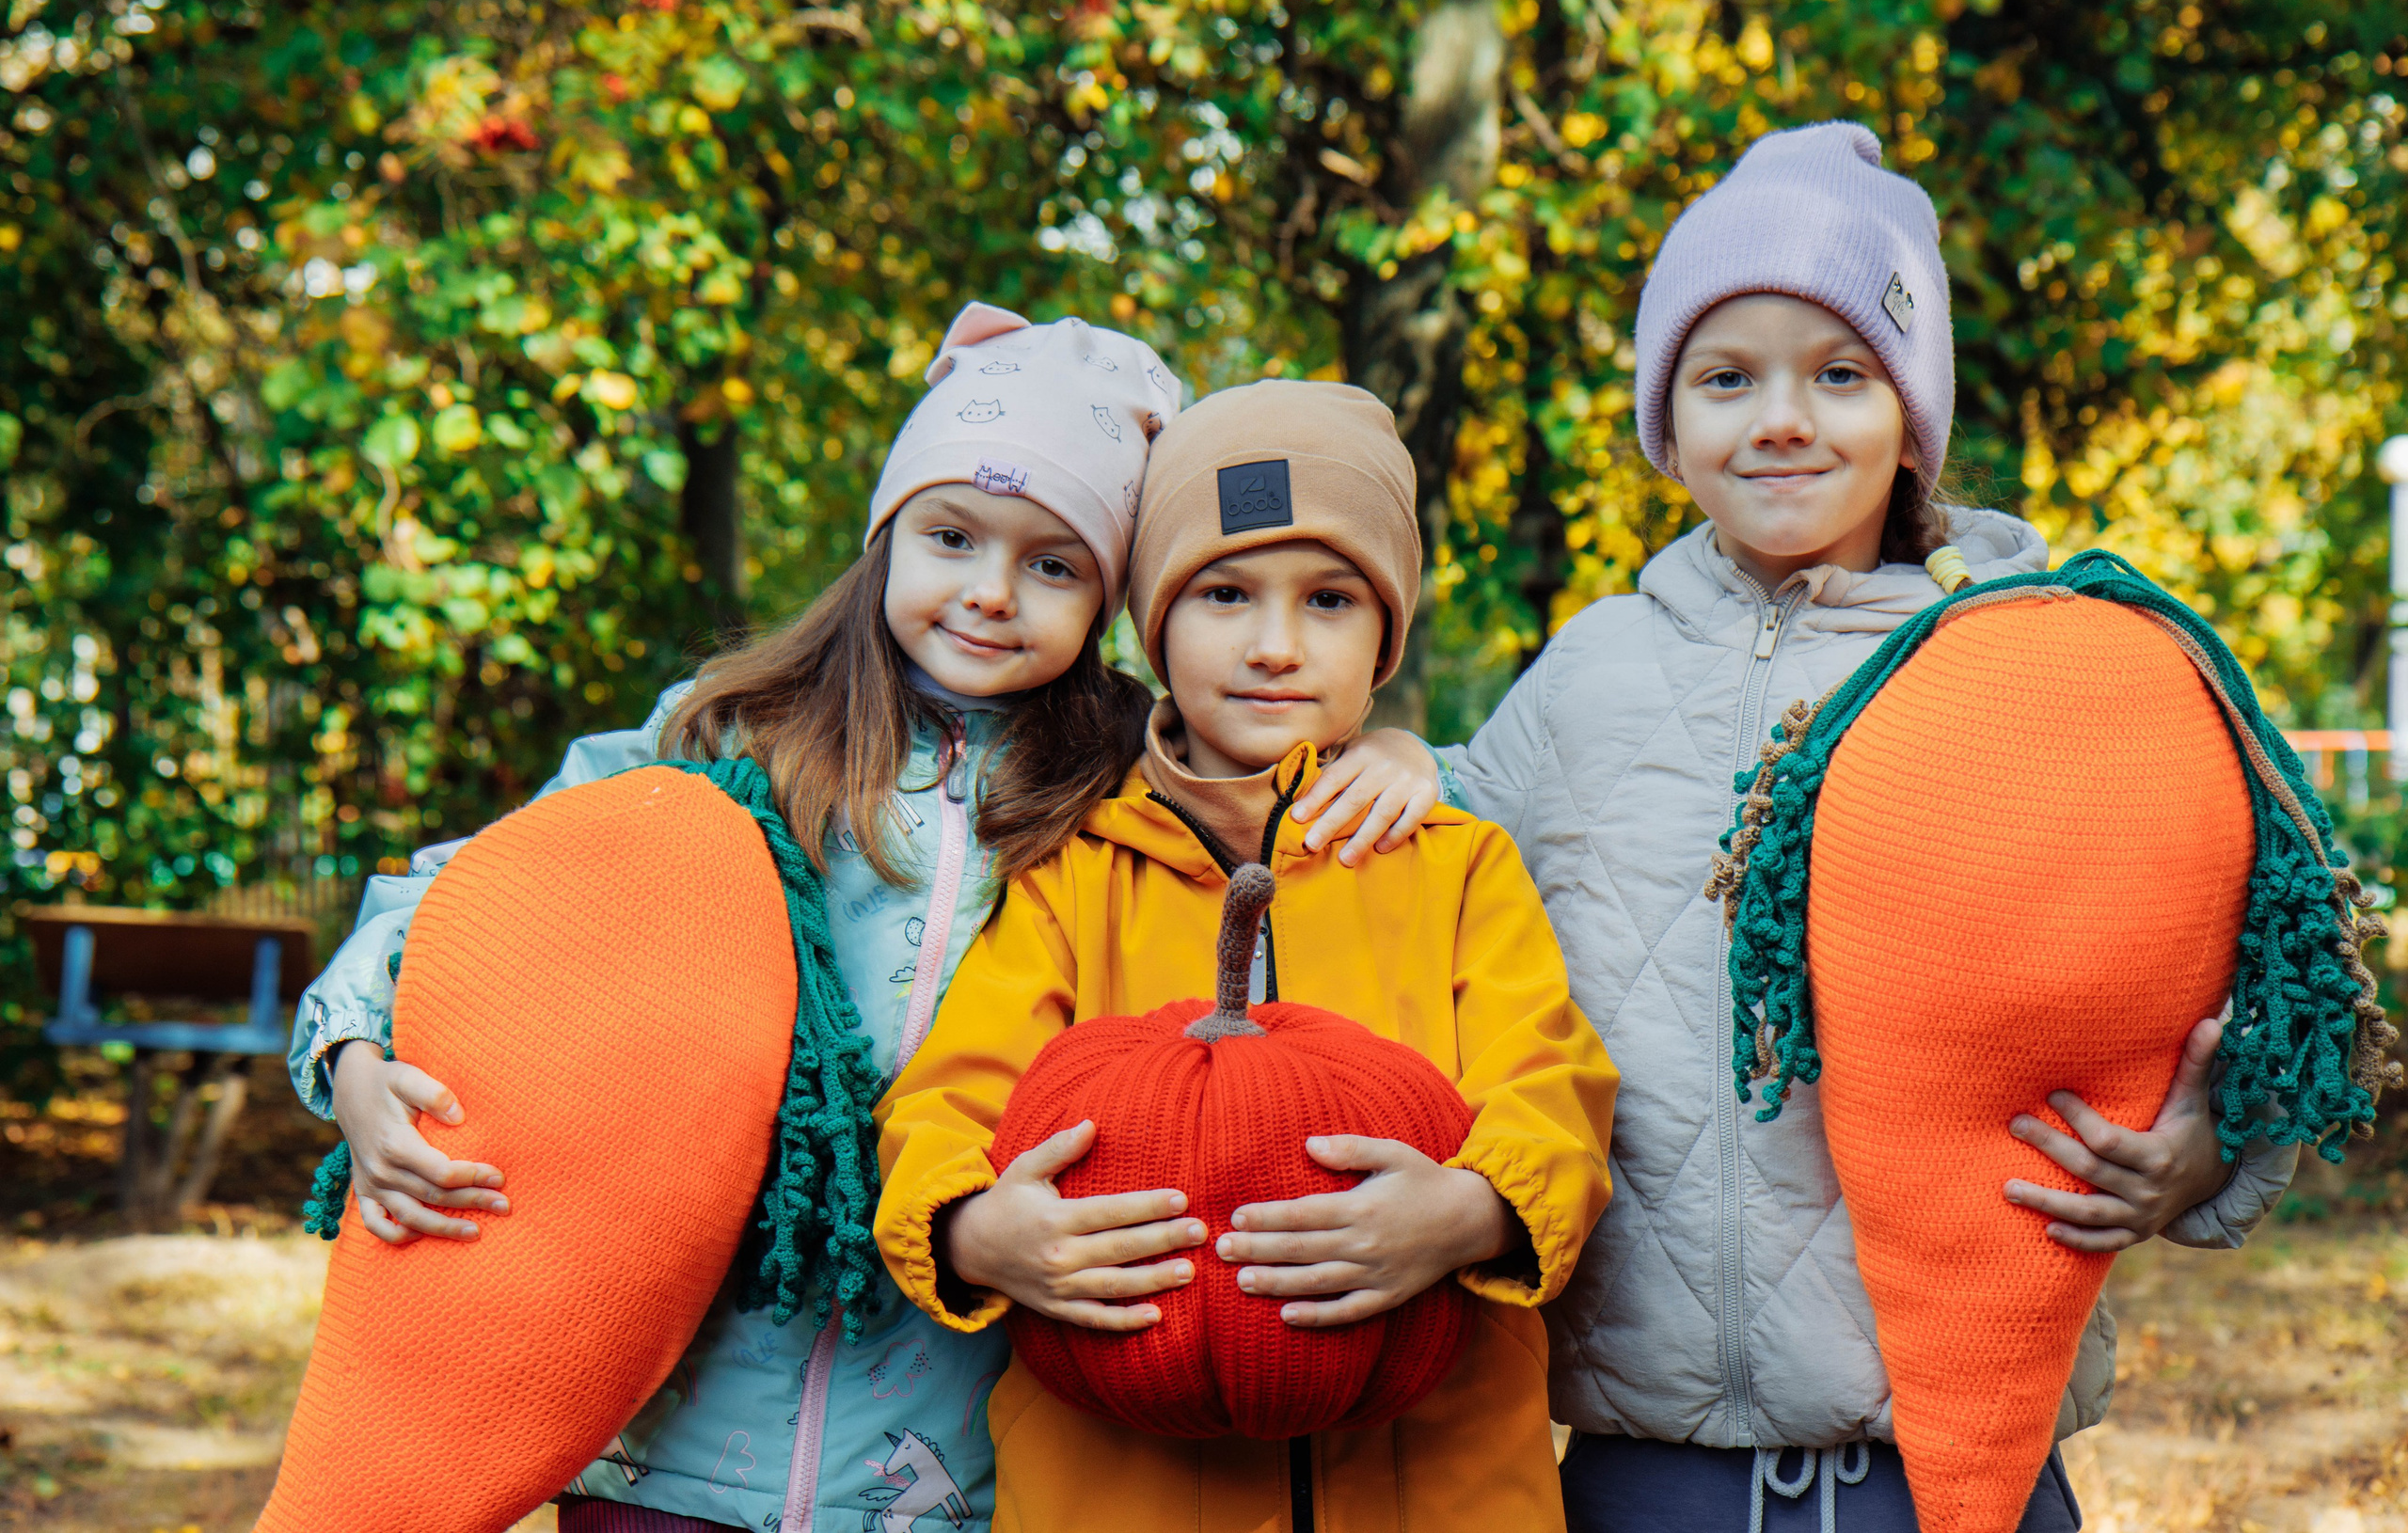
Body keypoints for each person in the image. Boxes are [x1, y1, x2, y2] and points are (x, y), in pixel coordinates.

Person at [282, 307, 1448, 1532]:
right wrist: (357, 1051)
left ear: (1110, 601)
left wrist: (1399, 752)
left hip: (943, 1443)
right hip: (676, 1416)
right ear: (888, 535)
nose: (990, 592)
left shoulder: (1127, 775)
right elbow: (480, 880)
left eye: (1054, 565)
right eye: (952, 535)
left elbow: (1285, 826)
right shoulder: (732, 731)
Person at [1408, 122, 2298, 1532]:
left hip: (1949, 1448)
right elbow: (1437, 873)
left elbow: (2233, 932)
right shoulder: (1592, 672)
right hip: (1643, 1457)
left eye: (1838, 374)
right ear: (1668, 419)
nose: (1781, 417)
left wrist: (2215, 1148)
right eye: (1726, 376)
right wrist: (1393, 760)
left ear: (1913, 415)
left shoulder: (2030, 659)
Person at [873, 379, 1619, 1533]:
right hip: (1116, 1488)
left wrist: (1472, 1213)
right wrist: (976, 1228)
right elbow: (948, 1096)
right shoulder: (1077, 869)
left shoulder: (1453, 863)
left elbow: (1554, 1086)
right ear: (1152, 627)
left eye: (1329, 600)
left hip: (1440, 1482)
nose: (1275, 646)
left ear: (1385, 640)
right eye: (1223, 594)